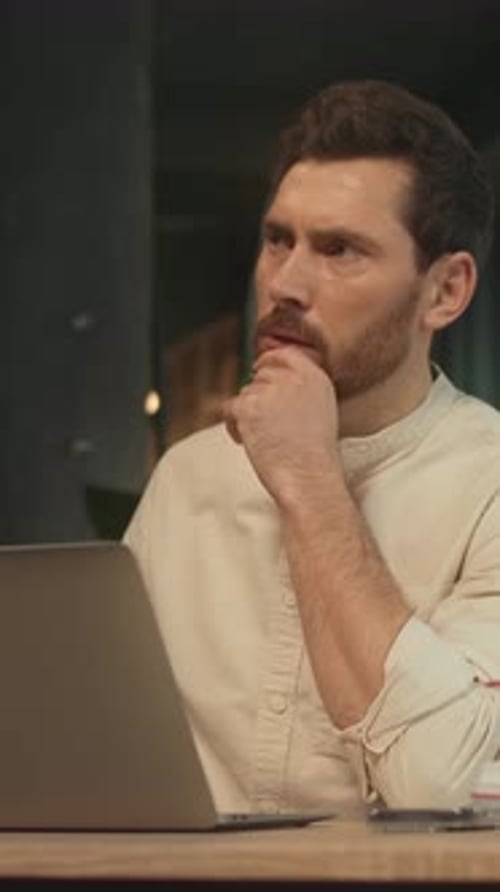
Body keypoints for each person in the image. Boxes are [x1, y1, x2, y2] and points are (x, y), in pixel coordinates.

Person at [124, 79, 500, 815]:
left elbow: (435, 783)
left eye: (339, 249)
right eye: (278, 240)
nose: (285, 284)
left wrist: (307, 474)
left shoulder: (489, 484)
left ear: (445, 292)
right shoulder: (186, 478)